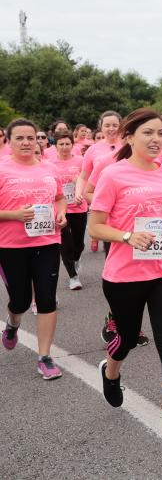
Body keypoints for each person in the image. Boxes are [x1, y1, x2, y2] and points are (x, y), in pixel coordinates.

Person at [88, 108, 162, 451]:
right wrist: (126, 237)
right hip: (124, 275)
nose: (156, 140)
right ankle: (111, 372)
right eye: (148, 134)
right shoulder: (114, 175)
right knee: (125, 339)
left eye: (160, 134)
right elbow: (96, 227)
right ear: (129, 137)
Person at [0, 118, 67, 380]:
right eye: (20, 138)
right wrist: (15, 215)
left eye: (31, 137)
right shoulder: (2, 167)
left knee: (47, 299)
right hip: (11, 245)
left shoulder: (48, 167)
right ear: (9, 140)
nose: (27, 142)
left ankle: (45, 357)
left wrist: (61, 214)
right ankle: (13, 322)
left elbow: (60, 197)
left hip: (47, 241)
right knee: (20, 301)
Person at [51, 131, 88, 290]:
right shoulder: (50, 164)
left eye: (67, 144)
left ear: (72, 145)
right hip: (60, 208)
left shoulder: (81, 161)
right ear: (55, 146)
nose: (65, 147)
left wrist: (78, 181)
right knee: (65, 244)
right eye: (61, 144)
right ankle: (73, 276)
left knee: (78, 244)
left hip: (78, 206)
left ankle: (76, 258)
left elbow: (88, 181)